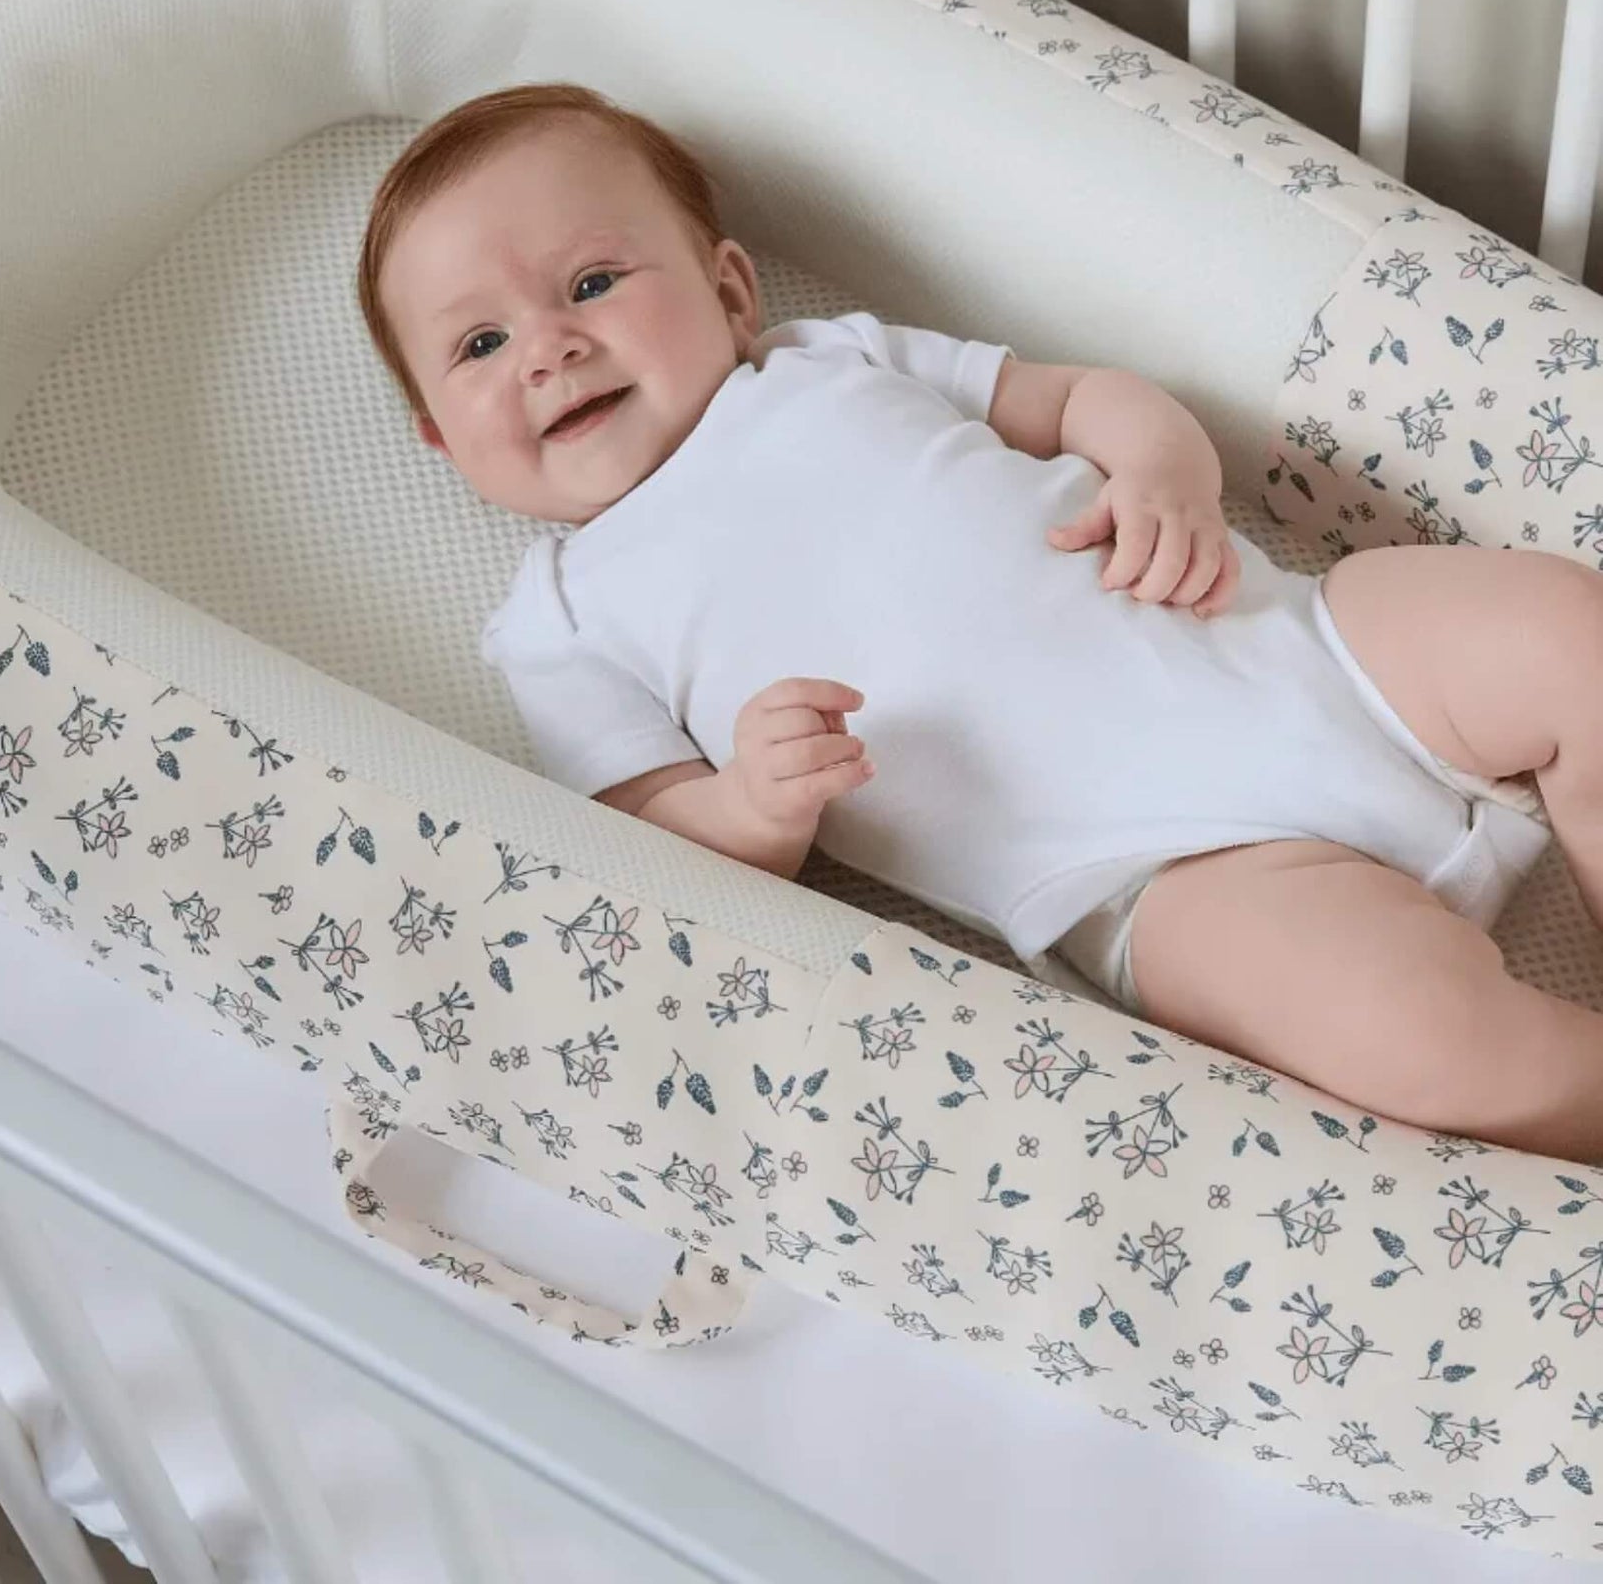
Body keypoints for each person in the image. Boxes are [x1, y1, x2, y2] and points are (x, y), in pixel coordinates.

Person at [358, 81, 1603, 1165]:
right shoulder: (562, 618)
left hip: (1297, 646)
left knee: (1563, 628)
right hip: (1162, 873)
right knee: (1411, 1044)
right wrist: (748, 804)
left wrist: (1161, 472)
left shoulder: (826, 358)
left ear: (730, 290)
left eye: (589, 282)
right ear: (434, 435)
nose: (549, 347)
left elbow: (1080, 399)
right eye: (478, 342)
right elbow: (646, 839)